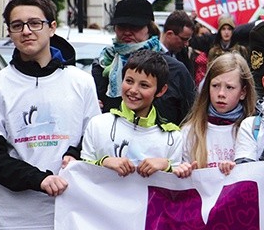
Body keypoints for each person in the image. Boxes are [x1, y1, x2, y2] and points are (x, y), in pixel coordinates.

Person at [0, 0, 101, 230]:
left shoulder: (81, 83)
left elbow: (93, 140)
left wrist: (74, 155)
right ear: (9, 32)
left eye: (35, 23)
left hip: (68, 222)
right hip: (14, 227)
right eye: (17, 25)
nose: (27, 31)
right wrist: (40, 180)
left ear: (52, 27)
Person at [81, 50, 188, 178]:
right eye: (129, 81)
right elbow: (81, 174)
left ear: (161, 90)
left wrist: (167, 168)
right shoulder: (97, 124)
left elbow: (174, 189)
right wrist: (103, 162)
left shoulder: (172, 137)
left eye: (144, 85)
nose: (133, 90)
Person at [92, 0, 196, 125]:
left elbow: (190, 118)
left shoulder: (175, 69)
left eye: (135, 27)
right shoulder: (103, 65)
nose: (127, 32)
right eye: (121, 26)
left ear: (149, 28)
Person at [181, 52, 257, 175]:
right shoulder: (190, 132)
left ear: (243, 92)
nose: (221, 93)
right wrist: (184, 172)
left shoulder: (253, 131)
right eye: (215, 85)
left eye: (229, 87)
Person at [159, 10, 195, 77]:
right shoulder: (151, 53)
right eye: (183, 39)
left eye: (188, 40)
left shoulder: (183, 54)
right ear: (169, 34)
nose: (186, 44)